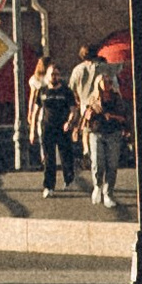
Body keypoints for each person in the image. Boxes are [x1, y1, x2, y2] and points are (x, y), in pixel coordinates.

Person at [68, 47, 120, 207]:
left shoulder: (78, 70)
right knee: (109, 162)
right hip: (96, 112)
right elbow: (117, 87)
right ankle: (103, 189)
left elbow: (72, 90)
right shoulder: (107, 68)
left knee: (97, 155)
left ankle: (87, 152)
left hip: (87, 108)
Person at [31, 60, 71, 197]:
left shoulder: (66, 90)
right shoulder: (42, 91)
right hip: (47, 127)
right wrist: (32, 131)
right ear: (47, 75)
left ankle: (69, 178)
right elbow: (36, 110)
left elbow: (73, 109)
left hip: (63, 128)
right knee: (49, 158)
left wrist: (70, 121)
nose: (54, 76)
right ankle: (49, 186)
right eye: (52, 74)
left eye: (57, 74)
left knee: (65, 155)